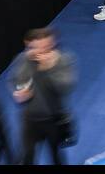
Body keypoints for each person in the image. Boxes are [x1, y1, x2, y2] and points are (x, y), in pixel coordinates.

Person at [10, 28, 77, 164]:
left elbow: (66, 88)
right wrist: (17, 92)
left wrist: (49, 69)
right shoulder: (23, 59)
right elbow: (15, 80)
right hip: (30, 120)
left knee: (56, 156)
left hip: (53, 119)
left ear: (53, 43)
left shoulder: (64, 60)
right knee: (26, 157)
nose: (42, 50)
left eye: (47, 46)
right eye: (38, 47)